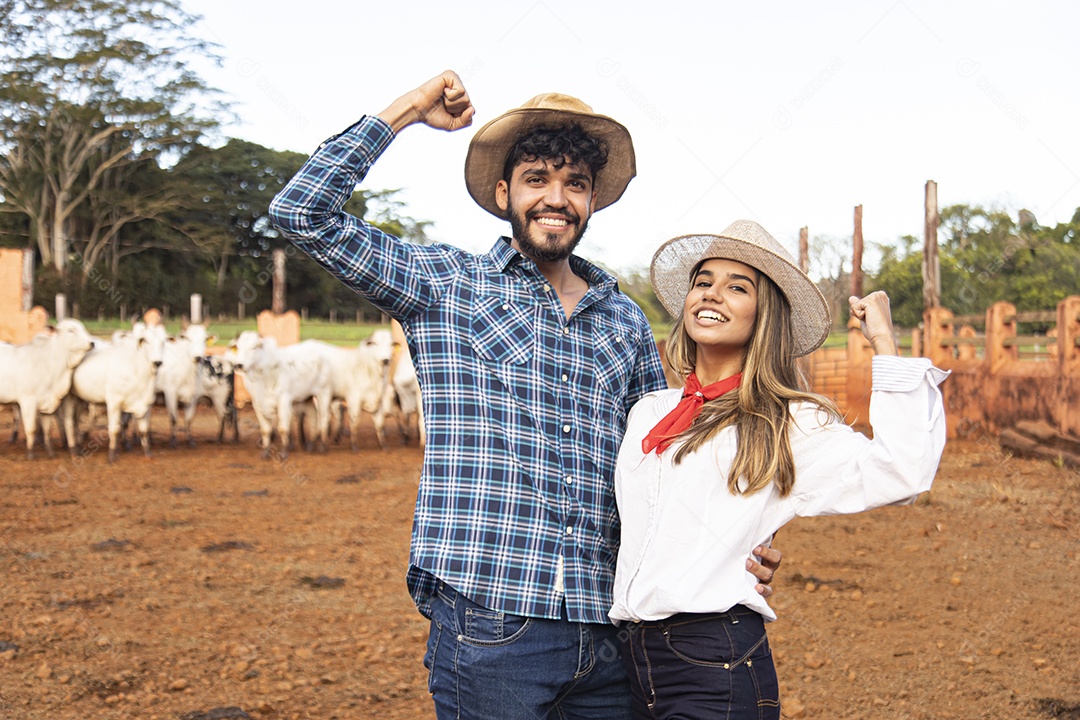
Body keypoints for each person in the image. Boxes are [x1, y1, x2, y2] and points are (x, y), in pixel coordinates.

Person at [269, 71, 780, 719]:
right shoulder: (445, 284)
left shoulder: (622, 318)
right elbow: (301, 211)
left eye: (575, 184)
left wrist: (733, 547)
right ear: (505, 191)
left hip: (610, 631)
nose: (556, 198)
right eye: (537, 179)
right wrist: (406, 112)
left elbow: (665, 467)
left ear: (593, 200)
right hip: (493, 629)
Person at [608, 220, 949, 719]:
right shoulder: (649, 412)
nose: (713, 294)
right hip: (629, 664)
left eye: (737, 287)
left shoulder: (788, 421)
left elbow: (902, 471)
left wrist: (884, 342)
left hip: (713, 661)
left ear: (763, 315)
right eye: (703, 282)